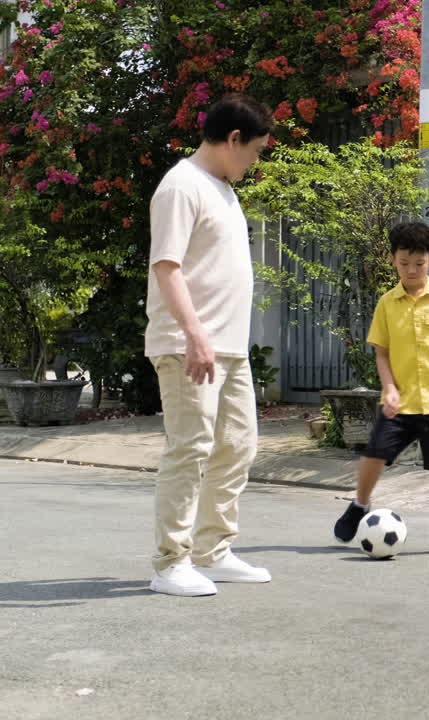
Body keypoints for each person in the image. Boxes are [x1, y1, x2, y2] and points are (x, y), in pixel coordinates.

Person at [146, 94, 275, 597]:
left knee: (237, 448)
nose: (256, 162)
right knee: (190, 450)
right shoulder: (181, 186)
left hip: (229, 347)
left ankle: (213, 551)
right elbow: (167, 267)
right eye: (256, 151)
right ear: (234, 140)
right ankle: (170, 563)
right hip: (188, 345)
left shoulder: (223, 189)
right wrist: (195, 335)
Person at [332, 222, 429, 557]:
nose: (411, 270)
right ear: (392, 260)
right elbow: (381, 352)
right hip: (400, 402)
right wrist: (389, 388)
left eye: (419, 263)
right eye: (403, 263)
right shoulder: (387, 303)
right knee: (374, 455)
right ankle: (358, 505)